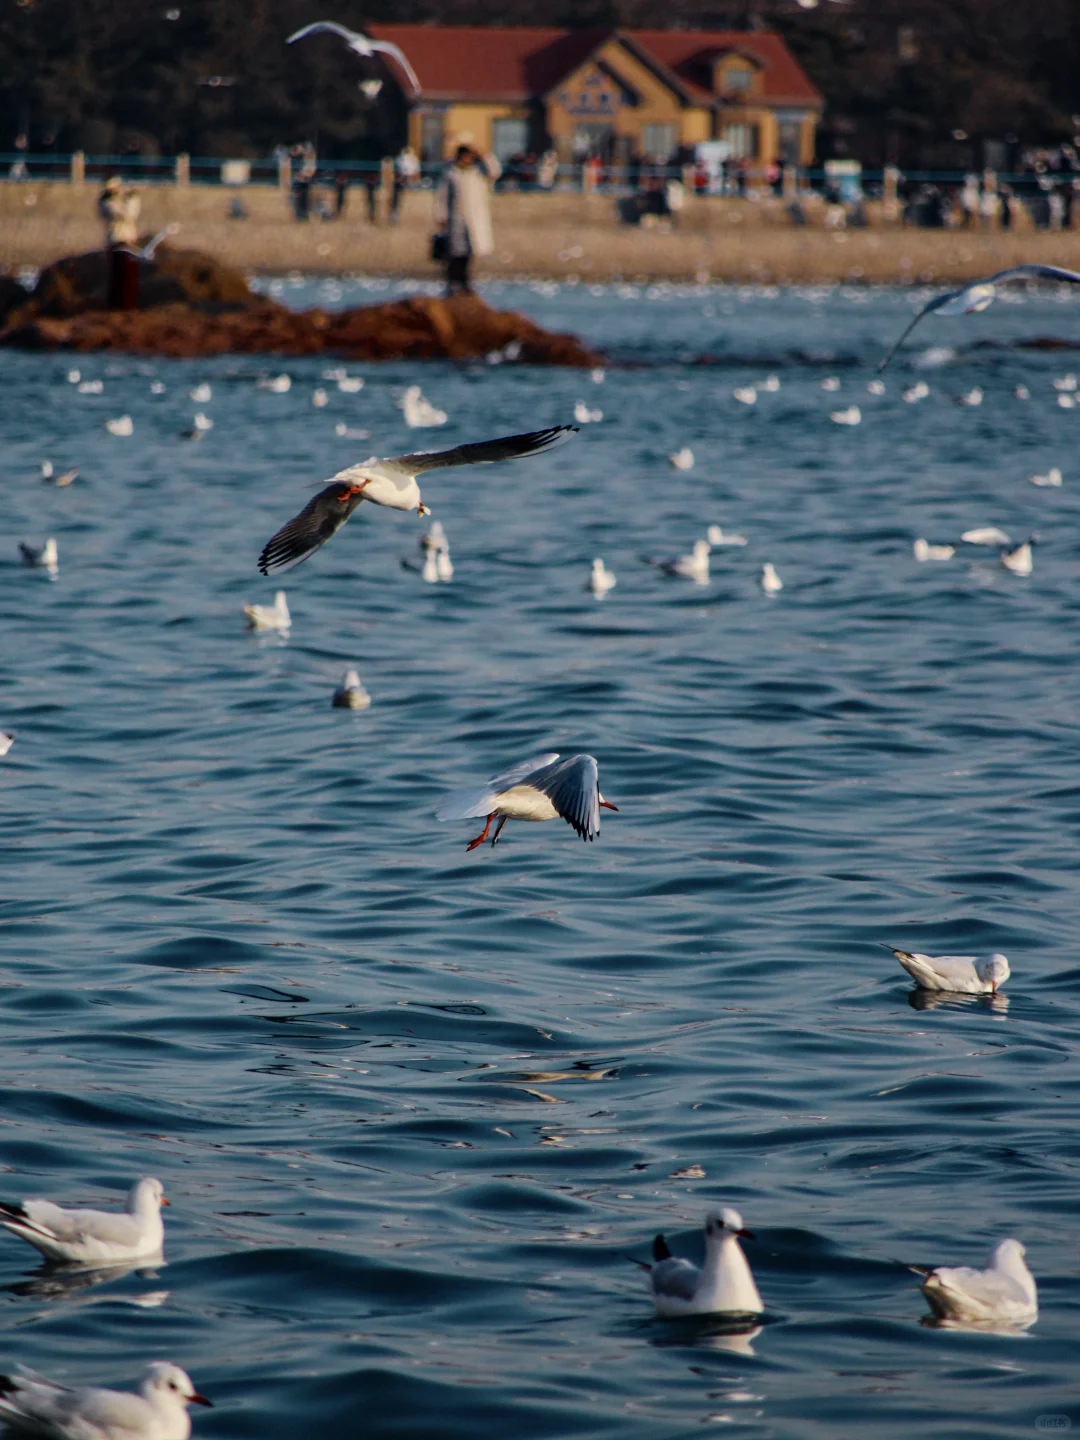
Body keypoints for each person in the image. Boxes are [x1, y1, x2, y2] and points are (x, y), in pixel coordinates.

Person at [435, 143, 500, 297]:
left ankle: (465, 284)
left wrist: (484, 155)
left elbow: (495, 172)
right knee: (454, 254)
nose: (466, 159)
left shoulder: (477, 173)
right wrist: (440, 216)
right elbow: (442, 197)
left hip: (474, 220)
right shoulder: (451, 174)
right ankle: (453, 284)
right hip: (456, 220)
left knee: (468, 254)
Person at [98, 175, 141, 310]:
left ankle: (129, 304)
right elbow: (125, 214)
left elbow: (132, 214)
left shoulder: (121, 200)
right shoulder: (107, 201)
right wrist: (131, 198)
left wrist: (132, 198)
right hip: (117, 241)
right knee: (119, 276)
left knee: (130, 276)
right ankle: (119, 305)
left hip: (130, 241)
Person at [391, 145, 419, 223]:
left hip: (406, 180)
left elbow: (413, 173)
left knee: (396, 196)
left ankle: (394, 214)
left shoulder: (404, 159)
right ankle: (394, 215)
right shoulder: (412, 159)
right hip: (405, 180)